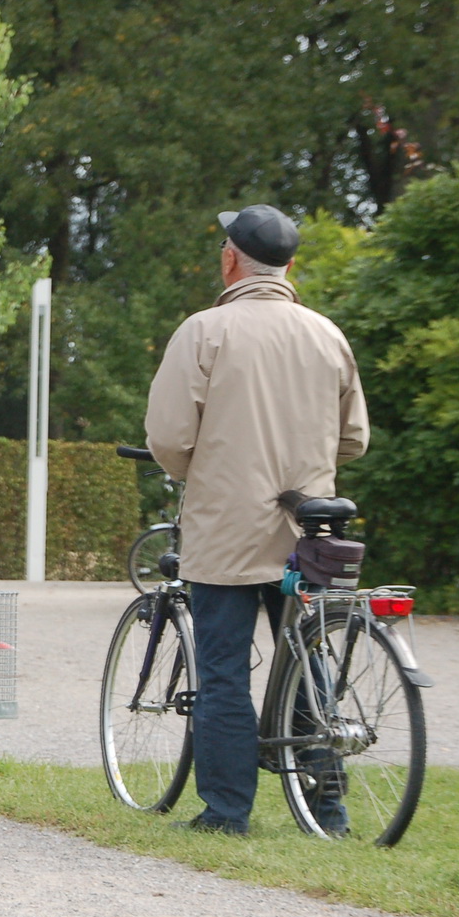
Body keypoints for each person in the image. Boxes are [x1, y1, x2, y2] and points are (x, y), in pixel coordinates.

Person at [145, 204, 370, 836]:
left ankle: (226, 811)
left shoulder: (205, 332)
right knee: (307, 664)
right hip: (310, 531)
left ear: (229, 259)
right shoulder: (328, 335)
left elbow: (167, 434)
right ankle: (329, 809)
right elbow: (353, 439)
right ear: (290, 266)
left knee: (221, 672)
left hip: (227, 525)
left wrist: (202, 466)